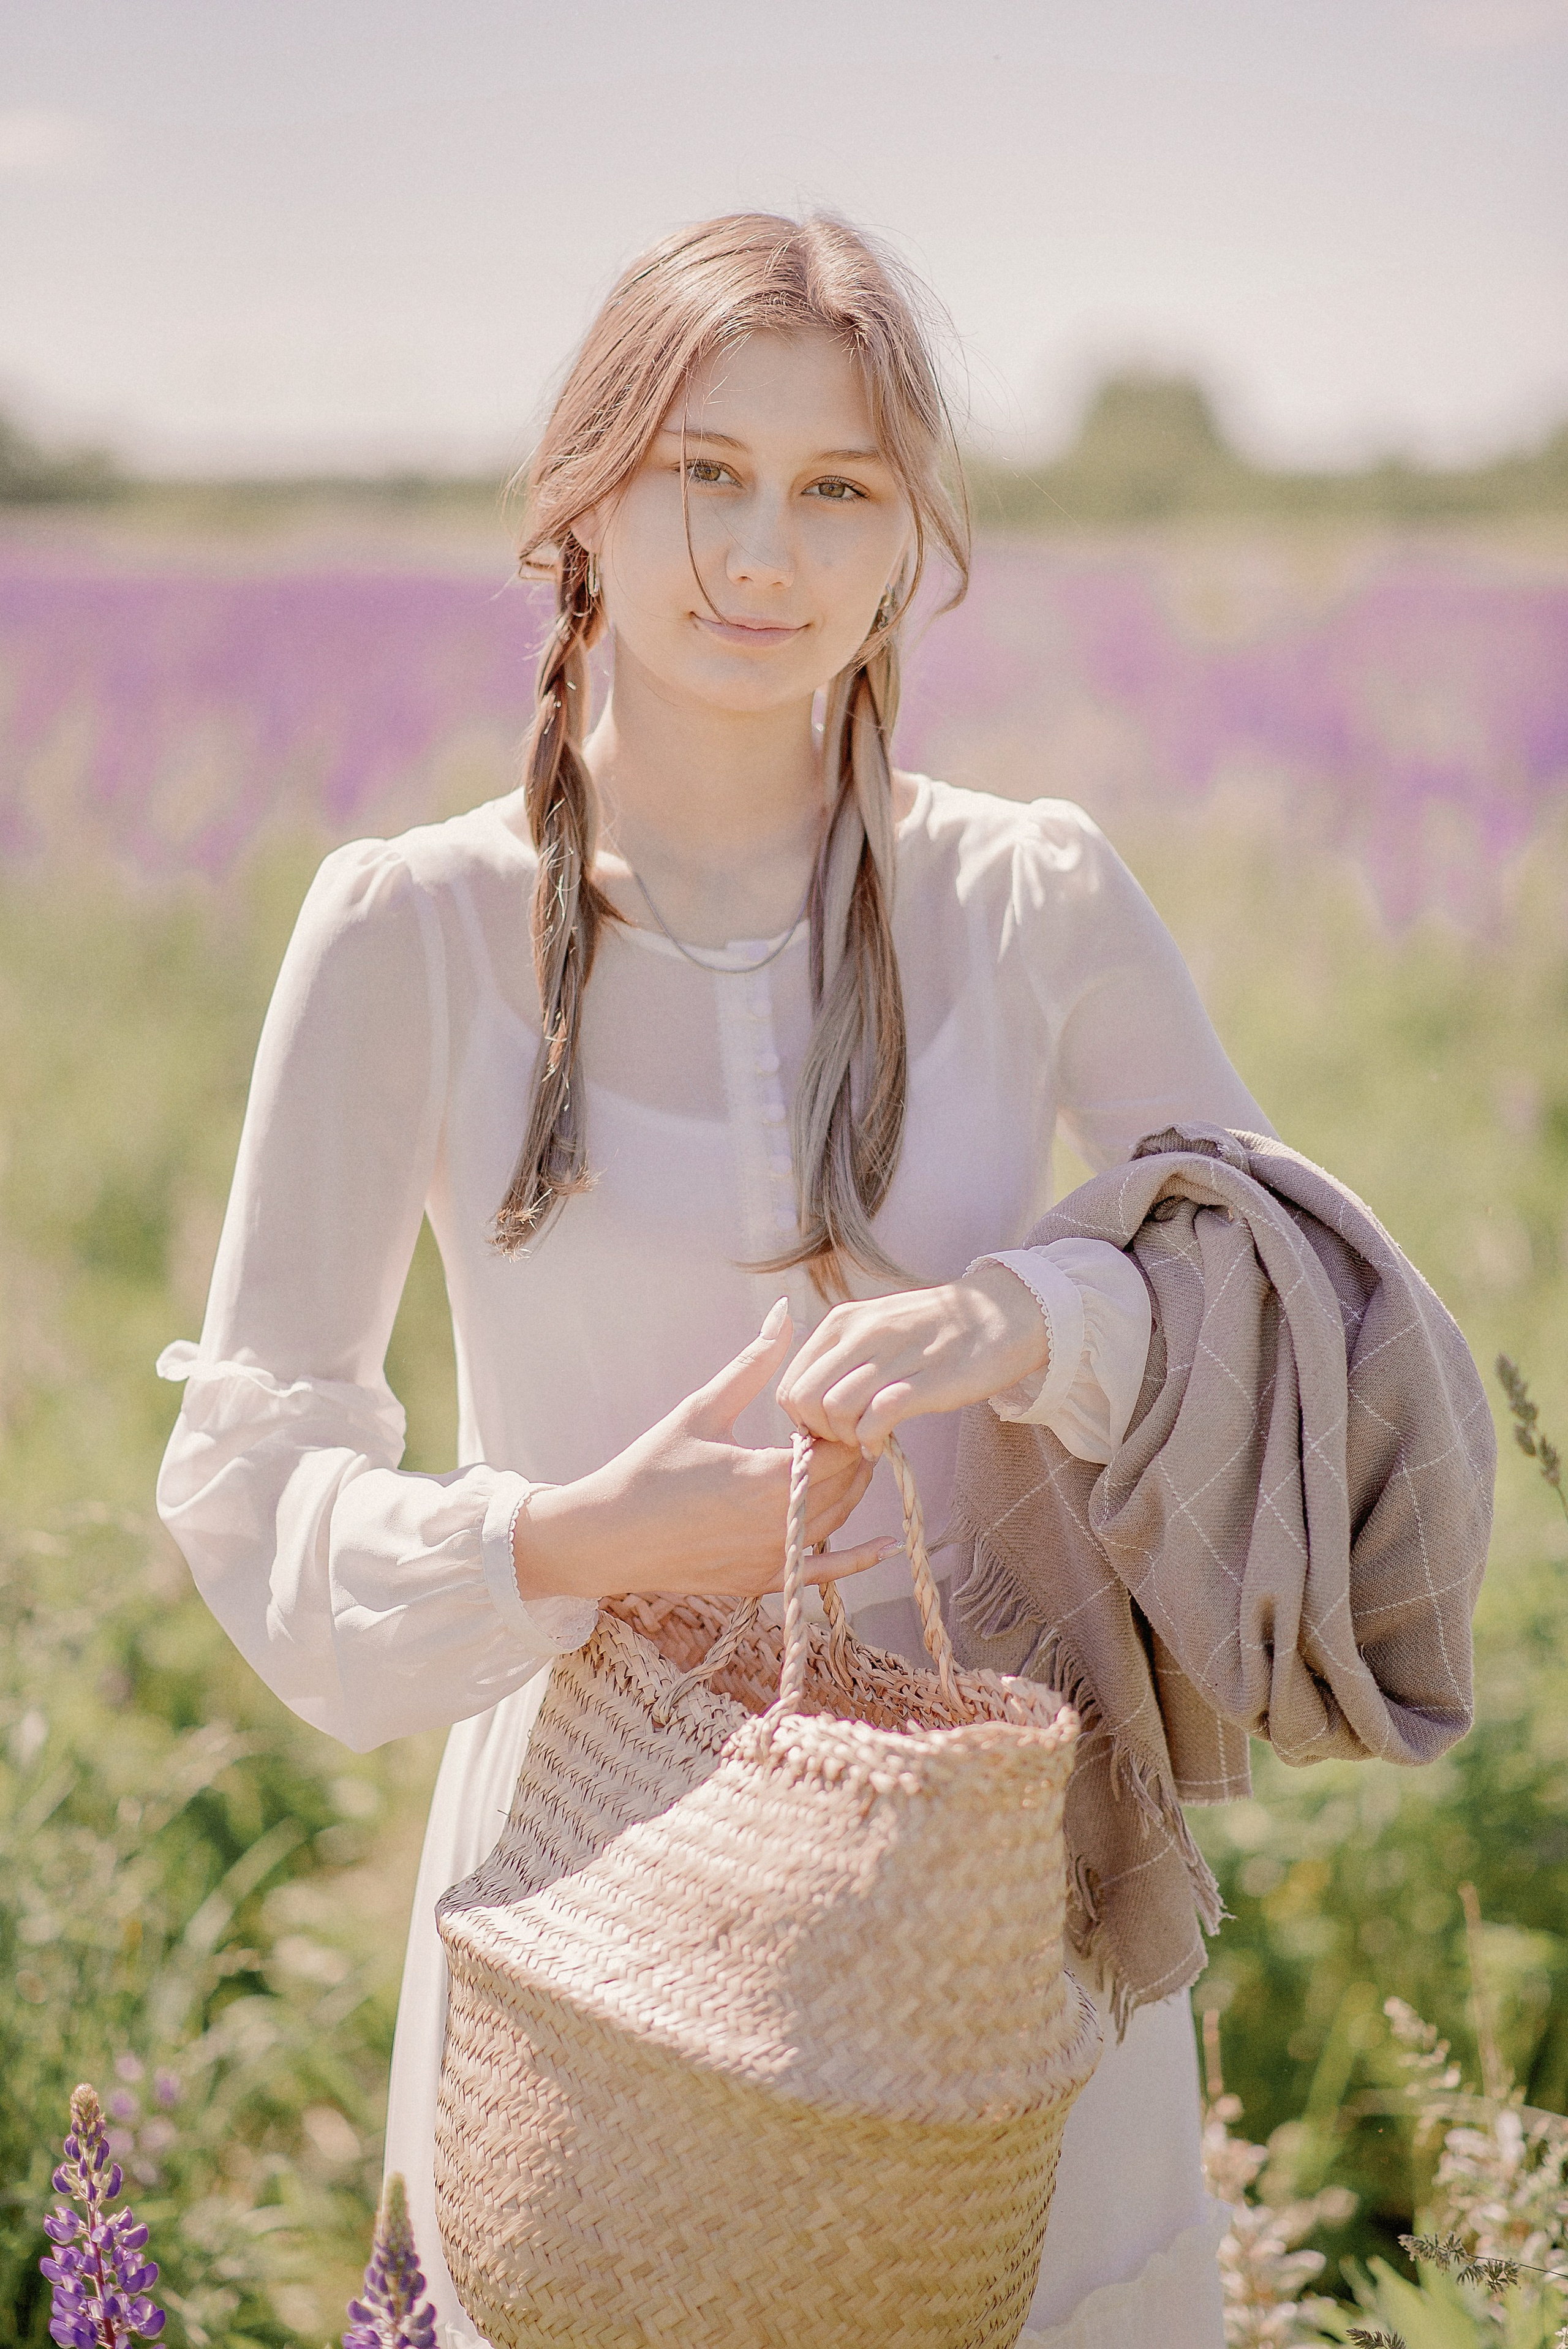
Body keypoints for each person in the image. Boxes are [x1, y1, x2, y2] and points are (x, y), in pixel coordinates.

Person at [156, 213, 1270, 2347]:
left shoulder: (1027, 895)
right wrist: (582, 1537)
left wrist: (1032, 1316)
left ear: (909, 539)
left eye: (839, 486)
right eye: (706, 470)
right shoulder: (413, 929)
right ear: (584, 493)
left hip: (982, 1872)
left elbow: (1283, 1296)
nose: (765, 551)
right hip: (600, 1896)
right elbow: (251, 1474)